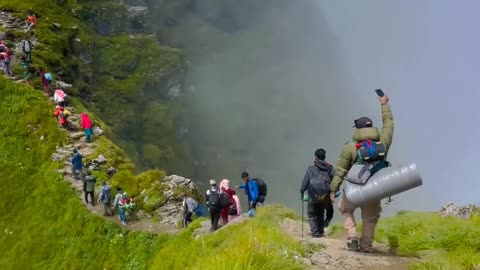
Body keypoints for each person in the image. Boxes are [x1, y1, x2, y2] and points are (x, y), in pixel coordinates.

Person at [330, 94, 393, 252]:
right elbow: (389, 125)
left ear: (358, 129)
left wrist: (333, 189)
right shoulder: (382, 142)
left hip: (354, 187)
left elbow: (341, 170)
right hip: (375, 188)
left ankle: (352, 238)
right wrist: (384, 105)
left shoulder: (351, 147)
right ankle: (366, 246)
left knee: (345, 208)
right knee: (370, 218)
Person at [300, 148, 334, 237]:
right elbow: (334, 181)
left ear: (316, 157)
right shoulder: (329, 168)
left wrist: (302, 191)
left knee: (311, 214)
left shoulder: (310, 169)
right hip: (325, 196)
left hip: (313, 195)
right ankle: (321, 231)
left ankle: (315, 233)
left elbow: (305, 183)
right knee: (321, 212)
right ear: (324, 157)